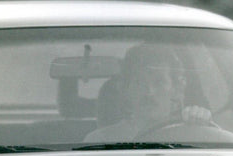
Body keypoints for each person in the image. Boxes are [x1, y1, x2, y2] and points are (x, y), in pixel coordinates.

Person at [84, 43, 212, 142]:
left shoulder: (192, 131)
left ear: (176, 90)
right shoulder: (100, 141)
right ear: (126, 90)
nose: (149, 92)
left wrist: (203, 126)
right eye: (140, 83)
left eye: (159, 82)